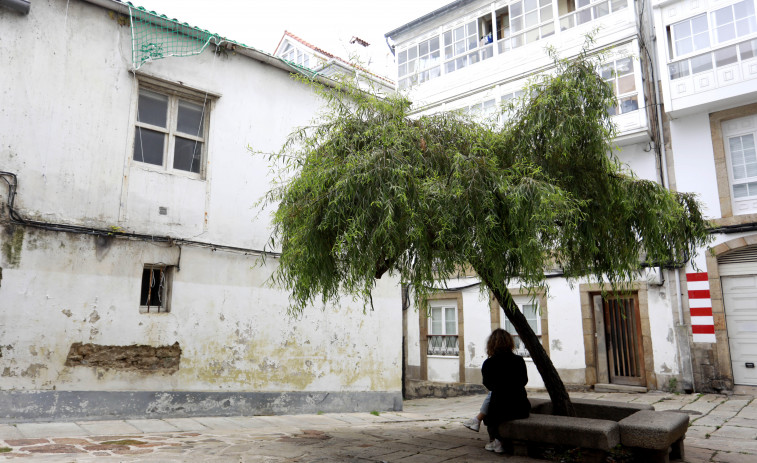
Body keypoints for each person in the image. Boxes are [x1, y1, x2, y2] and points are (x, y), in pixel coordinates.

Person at [481, 328, 530, 453]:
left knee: (491, 411)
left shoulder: (488, 363)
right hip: (520, 407)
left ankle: (496, 441)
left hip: (499, 407)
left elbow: (489, 385)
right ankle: (497, 442)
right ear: (510, 343)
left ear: (491, 344)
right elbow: (524, 381)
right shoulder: (519, 360)